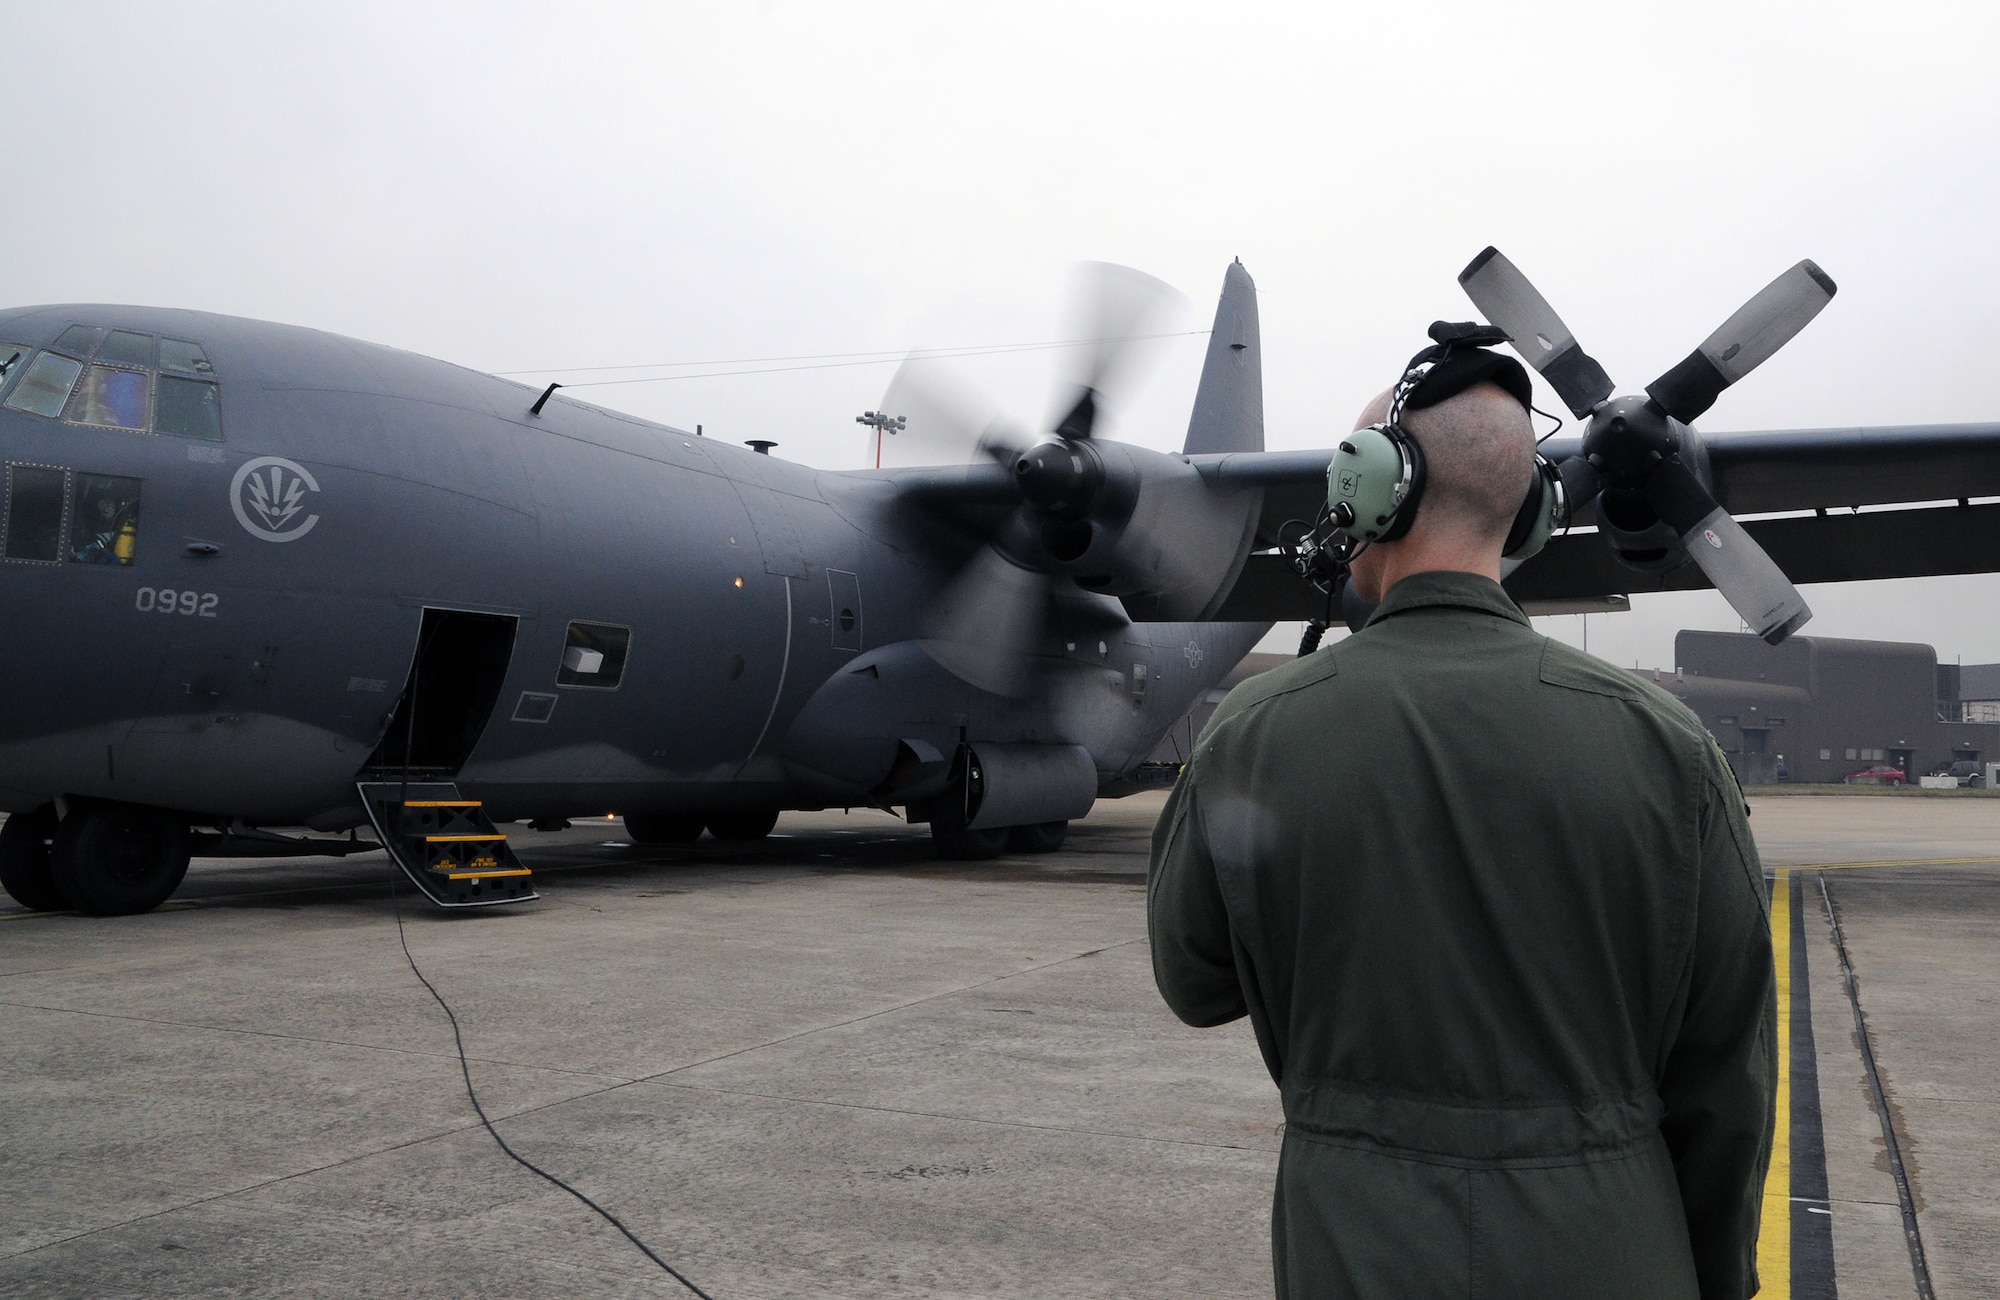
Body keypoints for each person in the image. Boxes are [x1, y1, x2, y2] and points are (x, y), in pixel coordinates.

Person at [1148, 333, 1776, 1299]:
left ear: (1372, 489)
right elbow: (1726, 1089)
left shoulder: (1255, 734)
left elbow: (1194, 980)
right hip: (1613, 1251)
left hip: (1354, 1249)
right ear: (1528, 516)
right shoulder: (1671, 747)